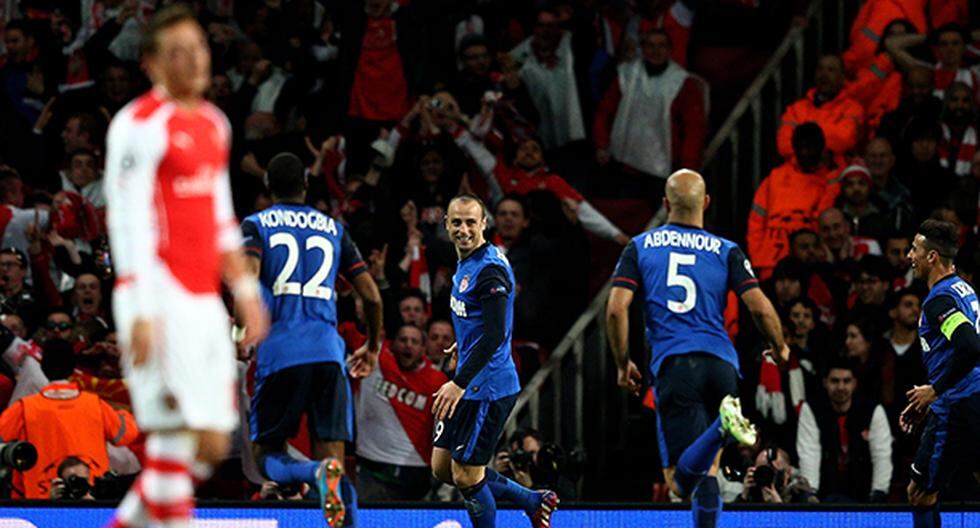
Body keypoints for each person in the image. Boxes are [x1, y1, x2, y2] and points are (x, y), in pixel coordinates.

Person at [103, 6, 270, 528]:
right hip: (156, 296)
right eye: (177, 52)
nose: (193, 60)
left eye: (199, 48)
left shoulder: (215, 124)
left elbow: (220, 214)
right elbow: (127, 221)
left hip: (203, 304)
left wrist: (244, 287)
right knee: (174, 439)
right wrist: (141, 309)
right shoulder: (137, 125)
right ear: (151, 63)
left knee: (211, 440)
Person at [606, 169, 789, 528]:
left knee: (678, 481)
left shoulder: (640, 246)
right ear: (706, 203)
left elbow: (615, 308)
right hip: (722, 365)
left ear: (665, 204)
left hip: (676, 366)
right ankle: (721, 429)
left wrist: (622, 362)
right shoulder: (726, 250)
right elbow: (759, 306)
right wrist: (780, 347)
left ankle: (722, 427)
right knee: (709, 471)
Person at [241, 152, 383, 528]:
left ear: (268, 188)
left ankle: (312, 474)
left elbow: (249, 277)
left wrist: (243, 323)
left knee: (265, 453)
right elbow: (371, 296)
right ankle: (334, 494)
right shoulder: (333, 229)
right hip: (328, 353)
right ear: (306, 185)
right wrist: (372, 345)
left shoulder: (256, 225)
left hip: (281, 352)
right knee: (334, 458)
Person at [430, 194, 558, 528]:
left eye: (471, 222)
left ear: (484, 224)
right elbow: (480, 322)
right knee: (442, 467)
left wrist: (458, 382)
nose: (463, 229)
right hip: (469, 377)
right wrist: (465, 341)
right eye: (456, 222)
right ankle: (532, 499)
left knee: (465, 474)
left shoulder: (490, 270)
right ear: (446, 223)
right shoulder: (466, 262)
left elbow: (496, 332)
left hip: (487, 386)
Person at [900, 219, 980, 528]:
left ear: (932, 256)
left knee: (920, 494)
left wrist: (936, 390)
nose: (910, 256)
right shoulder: (964, 288)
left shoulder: (939, 301)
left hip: (958, 404)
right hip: (972, 398)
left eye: (914, 250)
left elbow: (970, 347)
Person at [0, 339, 139, 499]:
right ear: (73, 368)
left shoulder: (24, 408)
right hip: (90, 500)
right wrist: (122, 413)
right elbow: (127, 434)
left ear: (44, 367)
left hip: (40, 504)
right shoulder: (95, 405)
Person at [354, 324, 447, 501]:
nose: (408, 345)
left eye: (414, 341)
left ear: (423, 348)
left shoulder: (438, 382)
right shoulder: (376, 360)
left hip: (415, 472)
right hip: (369, 466)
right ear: (393, 344)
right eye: (403, 340)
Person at [747, 123, 840, 279]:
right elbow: (756, 221)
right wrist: (756, 257)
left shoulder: (829, 180)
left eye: (811, 147)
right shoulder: (775, 178)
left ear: (821, 149)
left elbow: (825, 216)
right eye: (802, 147)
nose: (806, 153)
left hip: (809, 260)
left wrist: (831, 175)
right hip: (771, 260)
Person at [796, 359, 893, 502]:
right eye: (834, 381)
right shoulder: (811, 408)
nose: (841, 387)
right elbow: (809, 453)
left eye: (846, 381)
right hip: (825, 489)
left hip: (863, 490)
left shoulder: (872, 410)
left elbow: (882, 454)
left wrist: (879, 491)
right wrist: (811, 493)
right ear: (825, 383)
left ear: (854, 383)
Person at [776, 55, 865, 159]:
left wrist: (805, 144)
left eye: (831, 70)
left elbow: (844, 140)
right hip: (798, 169)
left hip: (835, 170)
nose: (824, 74)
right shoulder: (796, 109)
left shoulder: (853, 109)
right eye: (820, 69)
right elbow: (783, 145)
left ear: (842, 77)